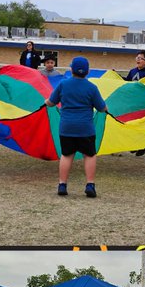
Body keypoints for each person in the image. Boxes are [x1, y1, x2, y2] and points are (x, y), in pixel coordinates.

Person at [46, 55, 108, 198]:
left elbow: (51, 102)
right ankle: (90, 184)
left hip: (67, 127)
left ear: (71, 69)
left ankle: (62, 184)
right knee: (90, 155)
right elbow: (101, 108)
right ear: (87, 71)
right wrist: (106, 109)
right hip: (85, 128)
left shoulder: (63, 84)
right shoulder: (92, 88)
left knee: (67, 155)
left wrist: (45, 101)